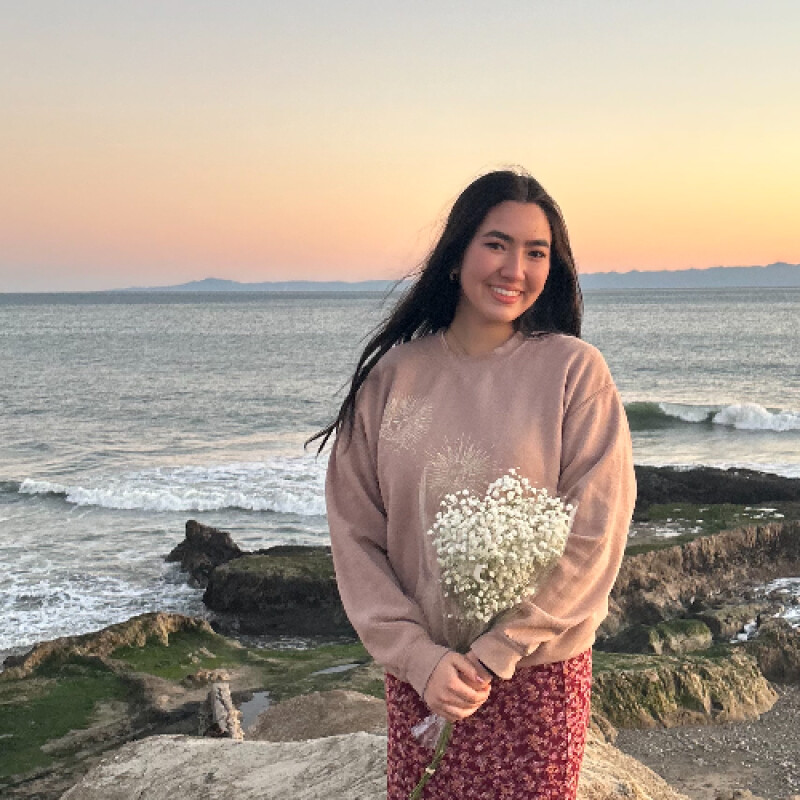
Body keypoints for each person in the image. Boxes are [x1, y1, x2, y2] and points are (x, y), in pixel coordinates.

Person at [312, 169, 636, 799]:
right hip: (424, 682)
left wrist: (499, 649)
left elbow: (596, 533)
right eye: (496, 244)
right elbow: (355, 535)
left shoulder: (574, 372)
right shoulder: (392, 379)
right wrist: (418, 658)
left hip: (536, 680)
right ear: (457, 253)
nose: (515, 269)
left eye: (536, 252)